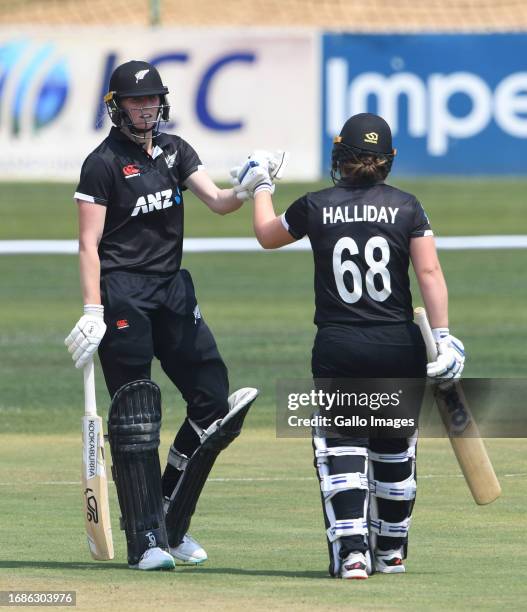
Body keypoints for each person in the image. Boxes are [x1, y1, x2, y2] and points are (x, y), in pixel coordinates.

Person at [231, 113, 465, 579]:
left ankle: (353, 554)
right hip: (399, 346)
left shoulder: (315, 205)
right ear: (388, 160)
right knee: (393, 449)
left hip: (339, 345)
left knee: (344, 449)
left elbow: (265, 236)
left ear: (341, 157)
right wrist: (442, 338)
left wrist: (260, 185)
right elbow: (430, 273)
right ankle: (391, 552)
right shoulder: (408, 207)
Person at [65, 60, 259, 571]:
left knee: (212, 401)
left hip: (173, 290)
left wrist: (248, 187)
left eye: (153, 99)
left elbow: (218, 202)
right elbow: (88, 243)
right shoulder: (102, 163)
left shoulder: (176, 151)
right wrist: (92, 309)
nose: (147, 107)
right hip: (123, 293)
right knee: (136, 415)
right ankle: (146, 539)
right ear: (118, 107)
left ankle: (170, 517)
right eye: (137, 100)